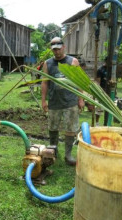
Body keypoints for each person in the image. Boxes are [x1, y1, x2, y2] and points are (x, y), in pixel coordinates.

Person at [41, 37, 84, 166]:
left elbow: (79, 81)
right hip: (54, 102)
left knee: (70, 129)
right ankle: (53, 150)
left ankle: (68, 155)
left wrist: (81, 99)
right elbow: (44, 83)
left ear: (63, 47)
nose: (57, 52)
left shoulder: (72, 61)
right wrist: (44, 100)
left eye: (59, 49)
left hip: (70, 102)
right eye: (54, 50)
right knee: (53, 127)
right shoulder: (47, 63)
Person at [95, 57, 108, 126]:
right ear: (106, 61)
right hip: (102, 90)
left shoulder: (112, 69)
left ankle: (106, 123)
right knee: (99, 108)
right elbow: (98, 82)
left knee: (109, 108)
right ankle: (97, 122)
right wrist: (100, 91)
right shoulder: (100, 70)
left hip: (110, 91)